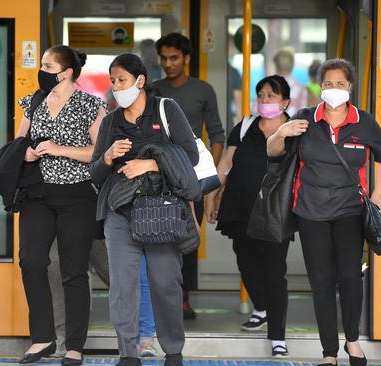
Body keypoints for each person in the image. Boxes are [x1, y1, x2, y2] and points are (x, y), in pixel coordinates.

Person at [267, 58, 381, 366]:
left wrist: (377, 195)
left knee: (350, 277)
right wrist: (282, 131)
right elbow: (272, 151)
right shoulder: (304, 119)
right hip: (310, 212)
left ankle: (352, 341)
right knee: (322, 281)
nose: (333, 89)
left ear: (349, 86)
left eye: (340, 83)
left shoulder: (364, 122)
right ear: (320, 87)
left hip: (350, 211)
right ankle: (328, 352)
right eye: (328, 84)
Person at [90, 53, 200, 366]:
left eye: (121, 80)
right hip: (120, 214)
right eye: (112, 81)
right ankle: (128, 353)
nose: (115, 87)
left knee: (166, 283)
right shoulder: (111, 121)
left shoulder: (166, 110)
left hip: (160, 212)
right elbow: (96, 173)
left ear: (140, 81)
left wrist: (150, 163)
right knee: (123, 288)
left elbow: (189, 155)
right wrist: (109, 156)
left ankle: (173, 352)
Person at [16, 45, 106, 365]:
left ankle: (74, 345)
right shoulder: (33, 102)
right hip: (38, 195)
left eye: (47, 64)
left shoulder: (90, 105)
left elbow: (99, 153)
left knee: (73, 271)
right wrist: (26, 153)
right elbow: (19, 144)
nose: (41, 69)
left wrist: (59, 149)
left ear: (66, 72)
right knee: (32, 261)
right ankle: (42, 338)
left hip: (78, 195)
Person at [205, 75, 292, 358]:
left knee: (274, 272)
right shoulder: (244, 127)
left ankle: (277, 336)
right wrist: (210, 195)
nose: (266, 100)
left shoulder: (294, 130)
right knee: (246, 262)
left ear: (286, 102)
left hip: (276, 213)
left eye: (272, 95)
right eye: (262, 95)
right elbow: (226, 164)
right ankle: (262, 306)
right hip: (241, 208)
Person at [154, 32, 225, 319]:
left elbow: (217, 135)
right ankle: (162, 297)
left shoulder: (203, 90)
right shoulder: (154, 89)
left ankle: (183, 297)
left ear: (186, 59)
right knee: (158, 234)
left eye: (174, 58)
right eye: (163, 58)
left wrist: (207, 175)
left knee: (188, 238)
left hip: (191, 176)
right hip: (158, 173)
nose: (168, 63)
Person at [273, 47, 308, 115]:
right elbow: (304, 113)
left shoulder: (269, 86)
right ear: (292, 66)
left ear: (276, 66)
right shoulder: (301, 88)